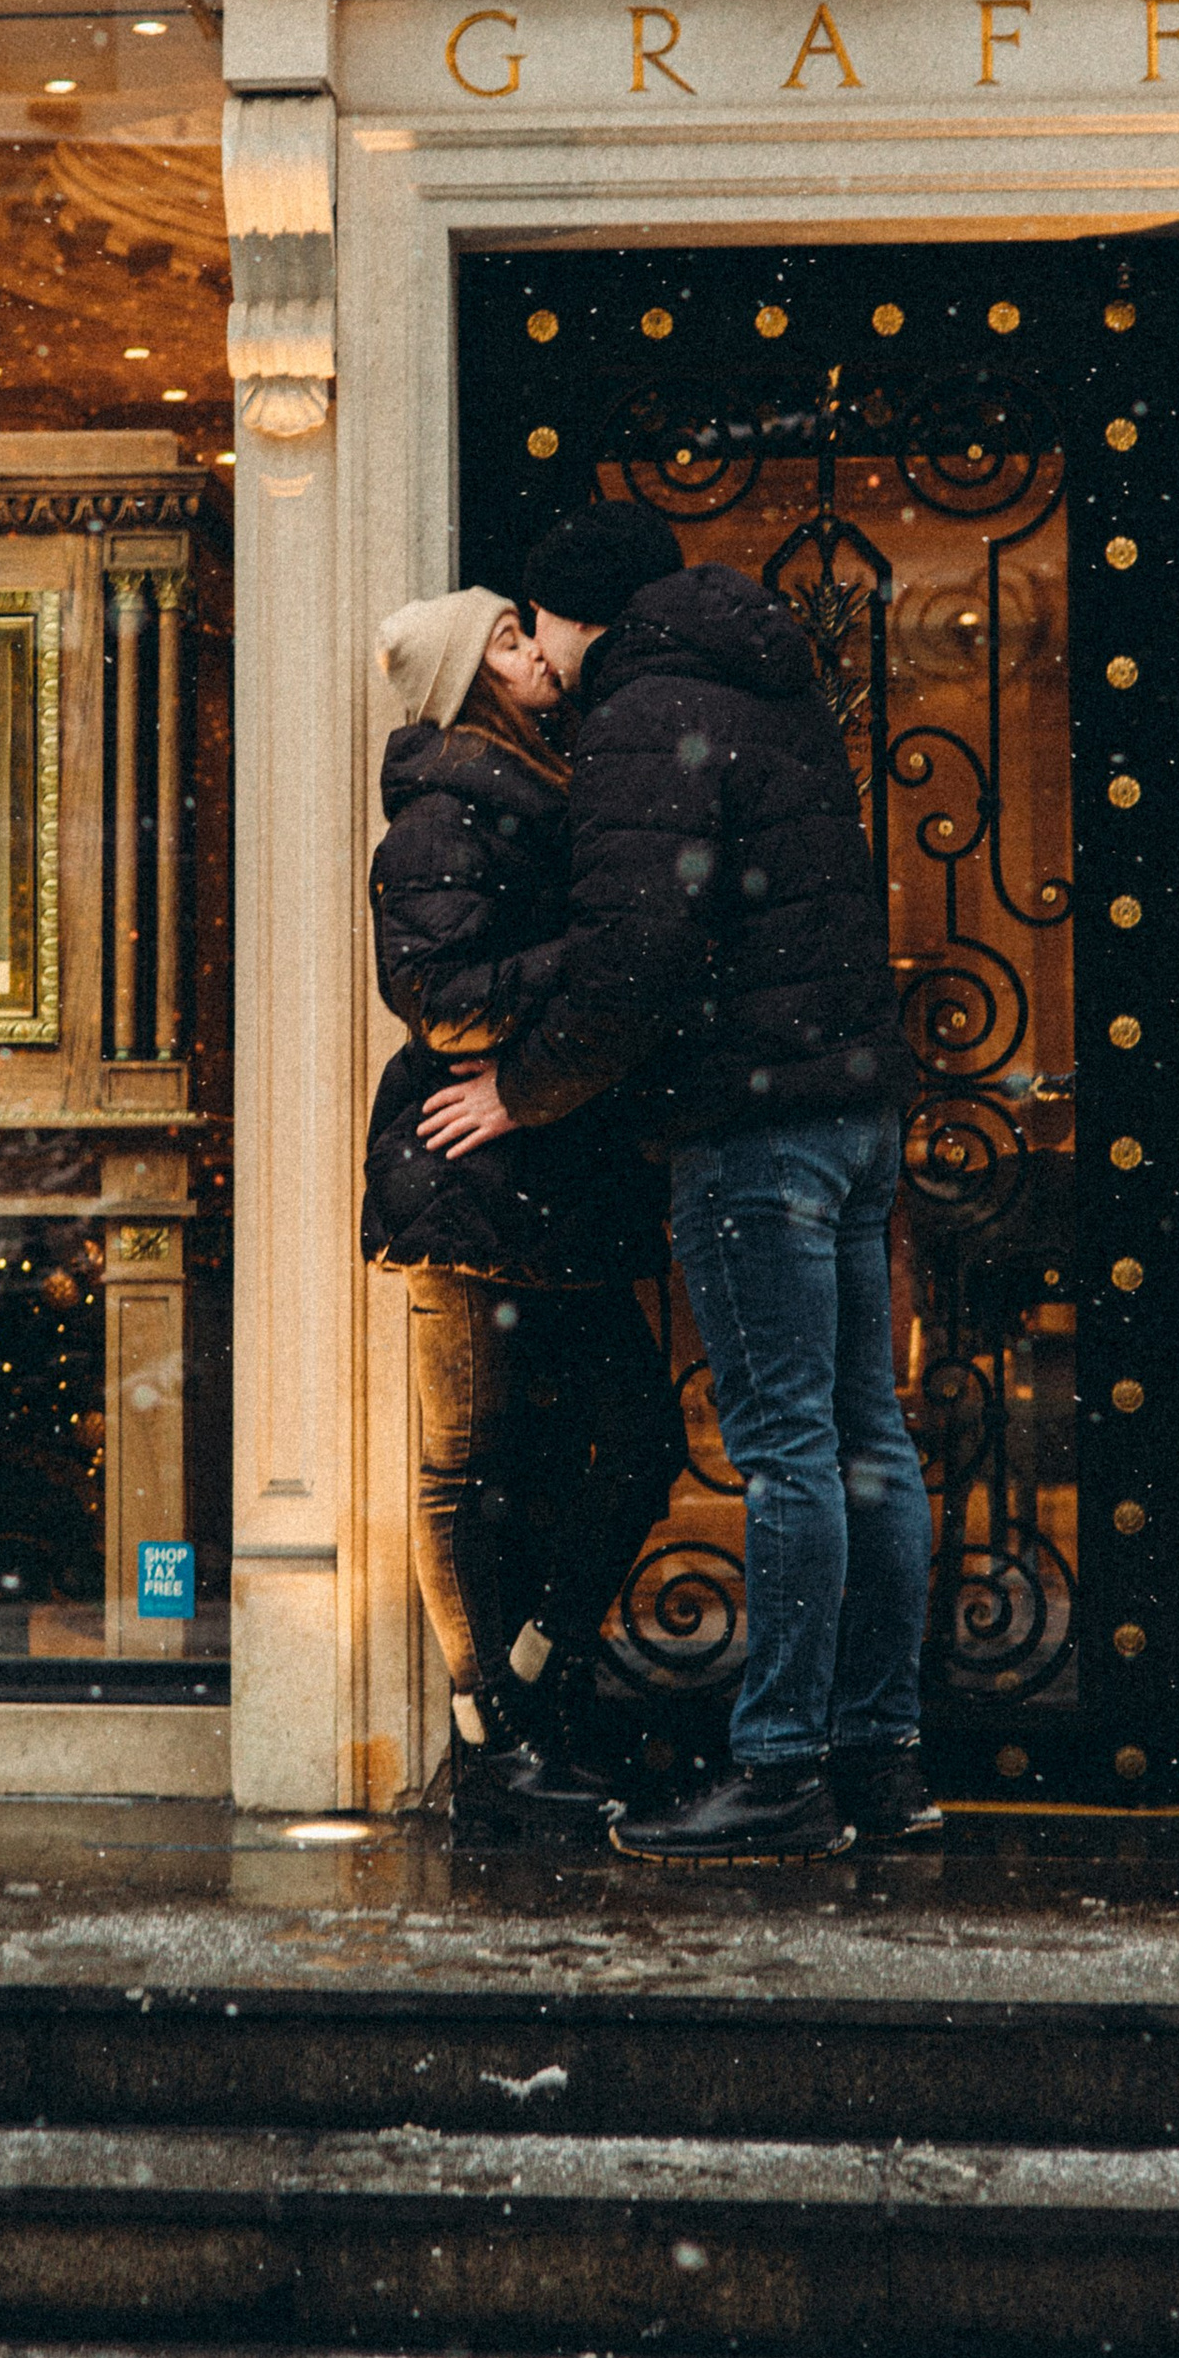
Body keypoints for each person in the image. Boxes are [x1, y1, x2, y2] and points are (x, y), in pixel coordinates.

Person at [419, 499, 939, 1866]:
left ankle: (779, 1770)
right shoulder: (772, 685)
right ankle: (881, 1756)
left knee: (784, 1455)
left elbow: (634, 956)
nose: (539, 653)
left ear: (578, 619)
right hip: (855, 1101)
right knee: (865, 1437)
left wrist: (521, 1088)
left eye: (540, 627)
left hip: (751, 1120)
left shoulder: (646, 714)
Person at [363, 584, 689, 1841]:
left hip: (545, 1178)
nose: (534, 651)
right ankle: (488, 1726)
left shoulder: (532, 786)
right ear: (467, 678)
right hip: (465, 1181)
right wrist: (587, 957)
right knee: (463, 1462)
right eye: (504, 638)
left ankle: (538, 1670)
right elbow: (439, 1003)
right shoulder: (445, 808)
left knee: (632, 1437)